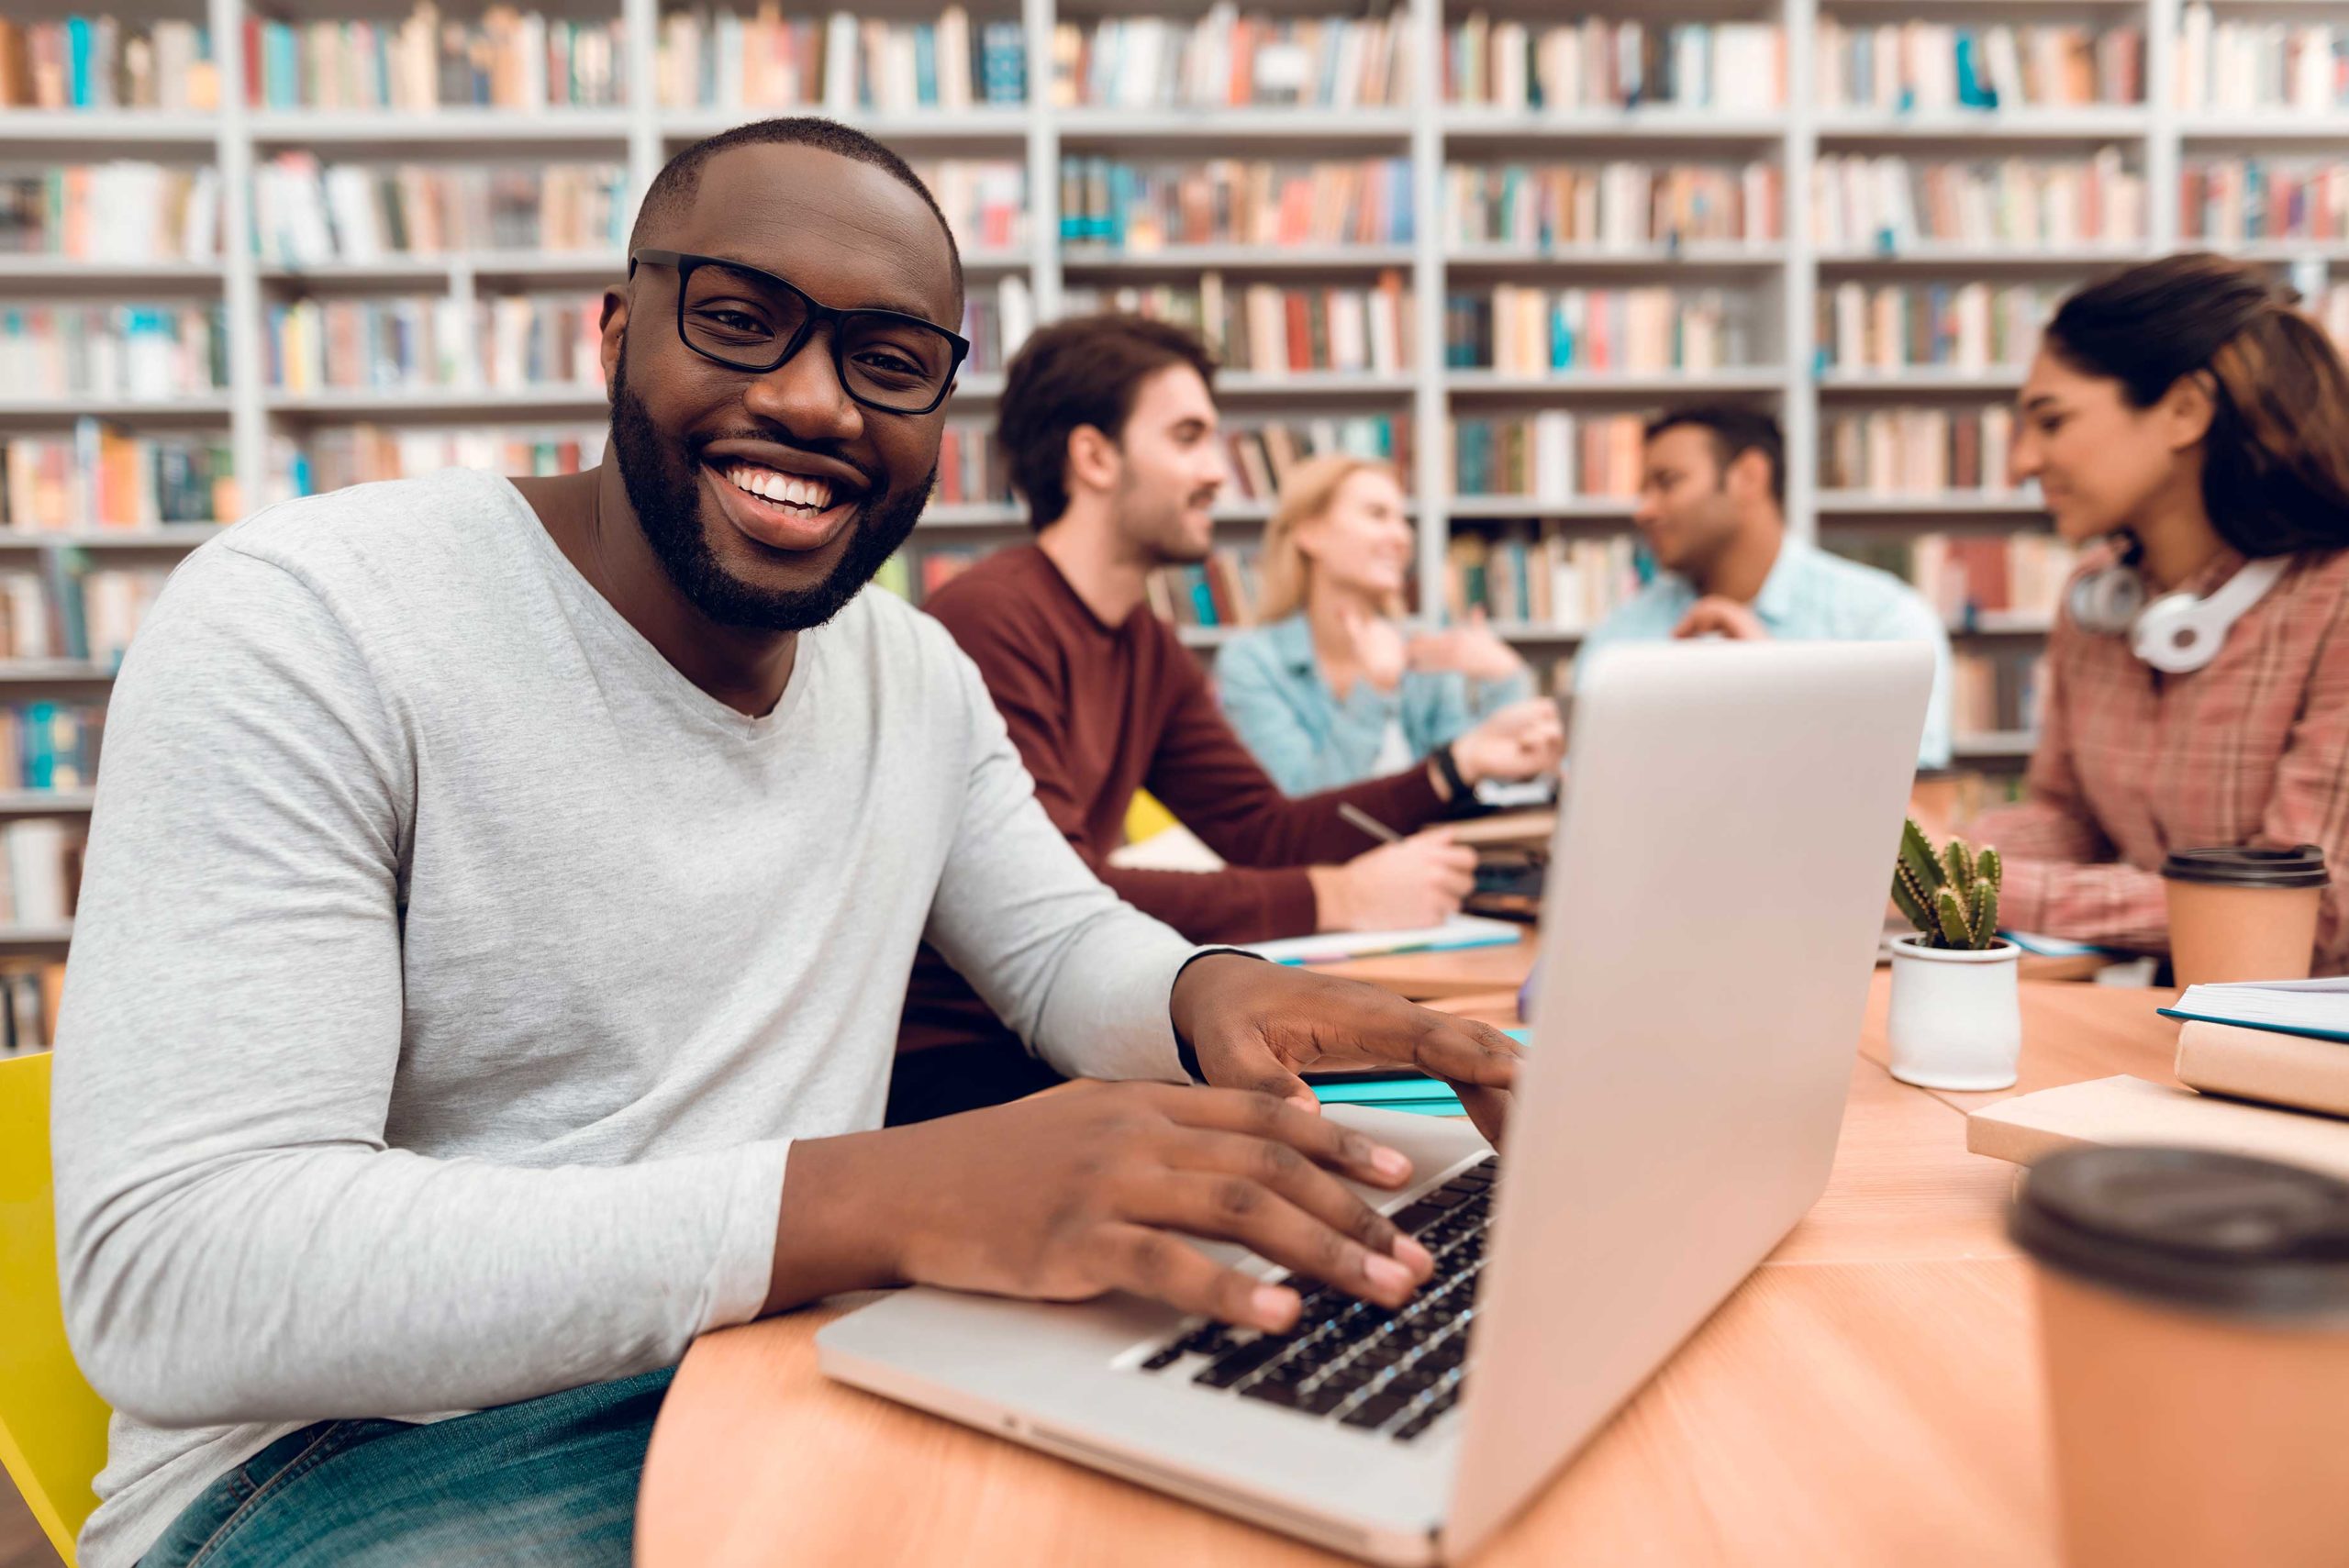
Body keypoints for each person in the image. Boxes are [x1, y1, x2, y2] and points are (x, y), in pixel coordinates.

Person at [48, 119, 1522, 1568]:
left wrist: (1209, 990)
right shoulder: (306, 618)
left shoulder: (911, 677)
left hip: (762, 1351)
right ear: (616, 335)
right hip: (347, 1460)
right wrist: (876, 1200)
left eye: (888, 363)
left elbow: (1061, 944)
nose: (818, 404)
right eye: (742, 321)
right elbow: (175, 1270)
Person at [896, 315, 1563, 1124]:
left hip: (1072, 1038)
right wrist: (1335, 894)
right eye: (1189, 437)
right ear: (1094, 456)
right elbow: (1063, 896)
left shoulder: (1147, 644)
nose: (1221, 472)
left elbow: (1260, 829)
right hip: (964, 1064)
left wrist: (1455, 765)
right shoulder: (992, 618)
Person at [1971, 251, 2349, 973]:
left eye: (2050, 422)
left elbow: (2303, 908)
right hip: (2168, 1020)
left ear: (2184, 411)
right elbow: (2067, 818)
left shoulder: (2335, 599)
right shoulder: (2097, 594)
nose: (2021, 461)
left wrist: (1975, 888)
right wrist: (1928, 851)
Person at [1577, 405, 1955, 768]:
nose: (1644, 510)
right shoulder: (1620, 637)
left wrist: (1776, 689)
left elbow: (1914, 804)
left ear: (1749, 478)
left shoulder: (1882, 623)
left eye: (1667, 482)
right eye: (1644, 490)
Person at [1216, 453, 1557, 794]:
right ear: (1310, 534)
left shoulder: (1425, 653)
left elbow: (1478, 781)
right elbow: (1297, 805)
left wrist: (1505, 678)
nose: (1403, 537)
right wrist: (1374, 690)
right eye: (1377, 515)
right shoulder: (1252, 663)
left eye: (1402, 520)